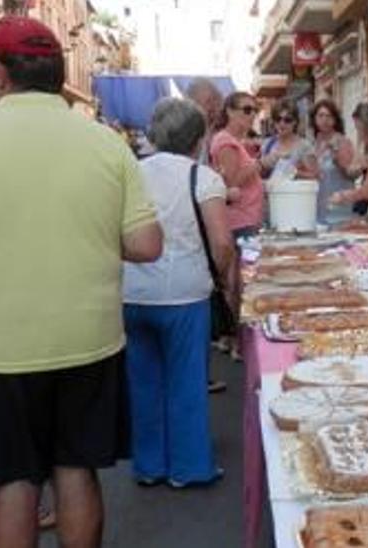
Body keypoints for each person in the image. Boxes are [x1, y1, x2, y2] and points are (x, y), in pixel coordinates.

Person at [0, 17, 162, 548]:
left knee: (13, 483)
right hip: (87, 341)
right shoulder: (106, 144)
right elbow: (146, 245)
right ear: (57, 73)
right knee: (77, 472)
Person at [124, 98, 236, 488]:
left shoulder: (131, 173)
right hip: (184, 292)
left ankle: (150, 464)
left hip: (133, 291)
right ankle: (189, 466)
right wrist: (220, 276)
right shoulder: (202, 178)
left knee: (143, 382)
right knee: (186, 382)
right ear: (198, 137)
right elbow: (222, 242)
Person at [212, 91, 265, 239]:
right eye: (247, 110)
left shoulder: (234, 140)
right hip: (240, 222)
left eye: (256, 110)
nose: (252, 115)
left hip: (247, 219)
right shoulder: (225, 142)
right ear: (230, 111)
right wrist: (260, 164)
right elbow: (233, 181)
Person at [310, 99, 359, 226]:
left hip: (338, 207)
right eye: (320, 115)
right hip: (317, 207)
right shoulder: (313, 144)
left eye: (329, 116)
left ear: (335, 119)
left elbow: (351, 174)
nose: (324, 120)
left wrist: (337, 158)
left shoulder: (342, 142)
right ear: (314, 119)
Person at [259, 100, 317, 180]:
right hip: (272, 191)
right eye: (278, 119)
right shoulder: (267, 144)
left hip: (295, 191)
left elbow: (315, 176)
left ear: (295, 122)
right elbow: (261, 174)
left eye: (287, 120)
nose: (282, 124)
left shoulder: (304, 146)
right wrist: (265, 163)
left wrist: (295, 172)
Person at [186, 77, 225, 162]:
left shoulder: (224, 128)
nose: (214, 105)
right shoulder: (191, 138)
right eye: (208, 101)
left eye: (215, 99)